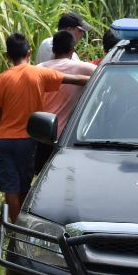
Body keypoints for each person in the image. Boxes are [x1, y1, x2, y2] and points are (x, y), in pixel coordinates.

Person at [0, 33, 91, 222]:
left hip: (5, 138)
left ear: (7, 55)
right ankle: (22, 225)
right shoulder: (38, 73)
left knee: (10, 187)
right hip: (28, 138)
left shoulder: (0, 79)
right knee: (25, 184)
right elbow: (75, 78)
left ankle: (13, 225)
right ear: (29, 53)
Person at [35, 30, 96, 172]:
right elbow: (105, 75)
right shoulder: (83, 68)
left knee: (41, 178)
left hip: (41, 134)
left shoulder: (39, 68)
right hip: (66, 136)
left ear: (54, 49)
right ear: (72, 49)